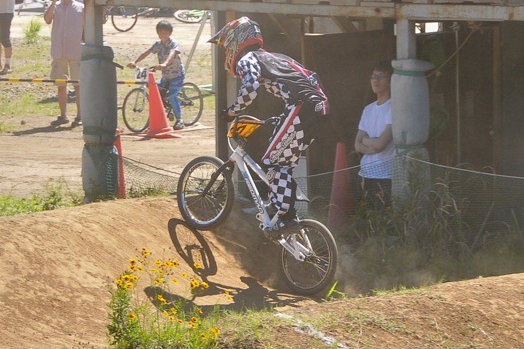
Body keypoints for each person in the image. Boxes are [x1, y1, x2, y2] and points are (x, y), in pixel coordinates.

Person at [209, 17, 329, 232]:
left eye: (227, 46)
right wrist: (286, 117)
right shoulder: (278, 57)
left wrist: (230, 112)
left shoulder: (248, 58)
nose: (227, 51)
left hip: (302, 106)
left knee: (273, 162)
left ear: (237, 40)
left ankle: (283, 213)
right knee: (285, 163)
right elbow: (311, 78)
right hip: (319, 108)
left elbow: (250, 90)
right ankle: (288, 217)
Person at [128, 20, 187, 130]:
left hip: (177, 74)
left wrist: (164, 63)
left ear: (170, 33)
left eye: (165, 32)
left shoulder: (173, 43)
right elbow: (146, 52)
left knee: (172, 95)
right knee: (156, 94)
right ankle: (158, 118)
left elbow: (172, 53)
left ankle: (180, 120)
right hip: (165, 75)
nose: (162, 34)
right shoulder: (157, 45)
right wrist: (135, 62)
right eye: (160, 32)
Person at [43, 0, 85, 127]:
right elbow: (47, 19)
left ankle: (80, 115)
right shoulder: (56, 6)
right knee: (61, 85)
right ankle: (63, 115)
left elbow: (86, 28)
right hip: (59, 51)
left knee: (78, 85)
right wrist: (54, 1)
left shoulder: (81, 8)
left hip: (76, 51)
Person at [354, 60, 394, 212]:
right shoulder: (368, 109)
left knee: (383, 220)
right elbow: (357, 144)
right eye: (373, 76)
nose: (375, 80)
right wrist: (369, 143)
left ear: (390, 81)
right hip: (365, 173)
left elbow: (381, 144)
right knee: (366, 220)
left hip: (385, 176)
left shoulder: (394, 106)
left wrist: (366, 141)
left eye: (381, 76)